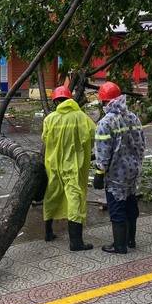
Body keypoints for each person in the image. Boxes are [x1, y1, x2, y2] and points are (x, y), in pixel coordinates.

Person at [93, 82, 146, 254]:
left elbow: (103, 151)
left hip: (116, 174)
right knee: (131, 204)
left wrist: (99, 173)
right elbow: (141, 144)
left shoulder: (105, 123)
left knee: (116, 208)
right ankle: (131, 240)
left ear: (104, 102)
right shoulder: (133, 117)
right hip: (133, 171)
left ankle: (119, 245)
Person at [42, 86, 96, 251]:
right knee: (75, 199)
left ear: (56, 101)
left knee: (51, 195)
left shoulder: (49, 119)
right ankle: (76, 242)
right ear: (70, 99)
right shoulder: (82, 118)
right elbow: (93, 137)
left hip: (53, 165)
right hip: (74, 166)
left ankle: (48, 232)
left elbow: (45, 139)